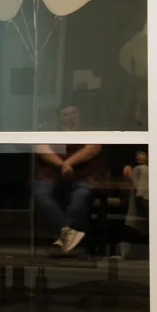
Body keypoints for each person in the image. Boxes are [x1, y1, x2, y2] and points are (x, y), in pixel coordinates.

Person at [34, 104, 107, 254]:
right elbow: (42, 150)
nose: (72, 117)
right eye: (67, 114)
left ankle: (64, 236)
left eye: (74, 113)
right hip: (53, 174)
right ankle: (69, 233)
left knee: (81, 195)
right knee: (41, 192)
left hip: (83, 175)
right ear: (59, 118)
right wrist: (62, 165)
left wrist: (69, 163)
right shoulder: (51, 133)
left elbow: (92, 149)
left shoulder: (88, 132)